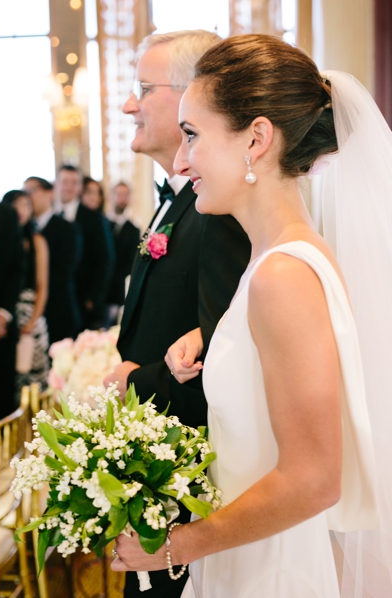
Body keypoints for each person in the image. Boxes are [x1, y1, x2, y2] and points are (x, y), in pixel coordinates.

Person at [113, 35, 390, 597]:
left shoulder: (282, 275)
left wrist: (176, 544)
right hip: (243, 557)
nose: (183, 158)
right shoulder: (272, 261)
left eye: (193, 135)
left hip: (268, 571)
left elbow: (313, 480)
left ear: (256, 139)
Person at [101, 31, 251, 597]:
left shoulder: (218, 211)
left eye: (142, 89)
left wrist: (134, 381)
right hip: (158, 469)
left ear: (193, 96)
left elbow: (232, 353)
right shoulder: (178, 202)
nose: (128, 105)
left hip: (195, 486)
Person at [55, 165, 115, 331]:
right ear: (56, 184)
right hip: (55, 300)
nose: (69, 187)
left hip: (84, 299)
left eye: (74, 182)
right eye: (65, 181)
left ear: (80, 187)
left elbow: (105, 260)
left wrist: (93, 298)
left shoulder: (94, 219)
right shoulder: (52, 215)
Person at [1, 189, 50, 391]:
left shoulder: (36, 241)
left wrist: (32, 321)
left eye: (26, 205)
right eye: (16, 204)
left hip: (30, 311)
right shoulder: (5, 239)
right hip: (7, 311)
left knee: (31, 376)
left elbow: (42, 285)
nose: (21, 210)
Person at [24, 176, 81, 344]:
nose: (28, 196)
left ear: (49, 193)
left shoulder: (67, 228)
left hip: (59, 309)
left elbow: (67, 268)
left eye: (32, 191)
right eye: (24, 192)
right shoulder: (24, 229)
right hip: (28, 310)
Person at [0, 200, 23, 420]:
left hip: (1, 322)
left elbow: (17, 269)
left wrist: (2, 314)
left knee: (3, 399)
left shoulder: (7, 215)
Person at [105, 182, 140, 327]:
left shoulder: (133, 230)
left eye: (125, 195)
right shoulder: (102, 223)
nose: (122, 198)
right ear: (111, 197)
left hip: (116, 290)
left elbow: (131, 261)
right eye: (119, 194)